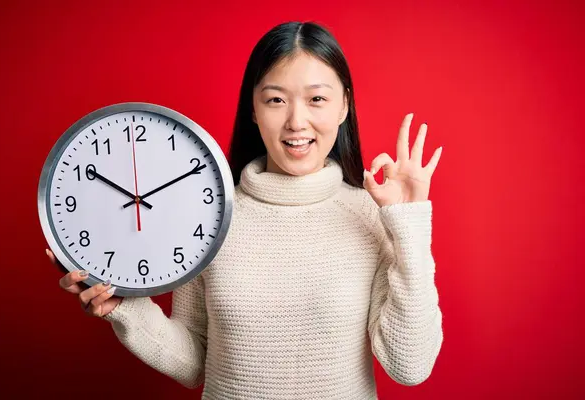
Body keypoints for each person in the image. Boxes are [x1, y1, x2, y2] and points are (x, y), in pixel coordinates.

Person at [47, 21, 444, 399]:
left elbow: (408, 366)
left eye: (317, 99)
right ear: (253, 109)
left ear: (343, 107)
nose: (296, 121)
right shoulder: (209, 217)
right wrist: (125, 308)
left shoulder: (371, 215)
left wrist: (408, 224)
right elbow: (193, 362)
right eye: (275, 99)